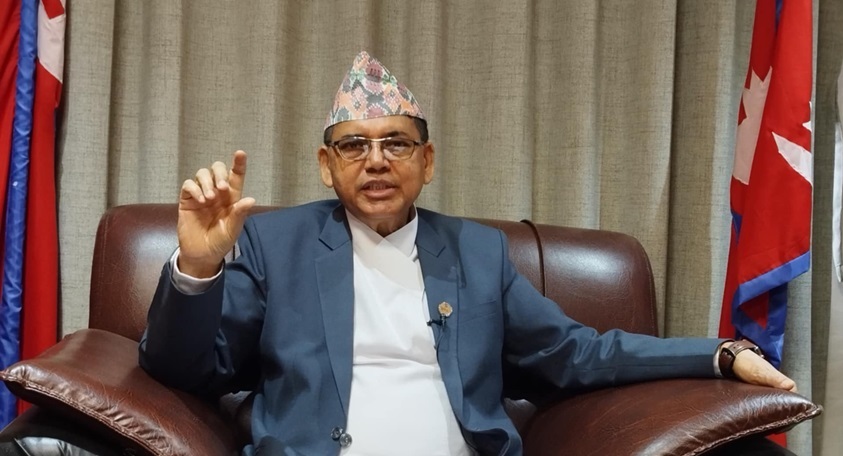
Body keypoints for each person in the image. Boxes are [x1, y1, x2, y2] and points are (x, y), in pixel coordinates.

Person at [139, 51, 796, 456]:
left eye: (396, 143)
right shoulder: (273, 244)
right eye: (353, 145)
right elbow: (186, 371)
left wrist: (718, 354)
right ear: (325, 165)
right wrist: (197, 267)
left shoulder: (478, 253)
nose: (375, 161)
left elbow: (577, 355)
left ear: (426, 162)